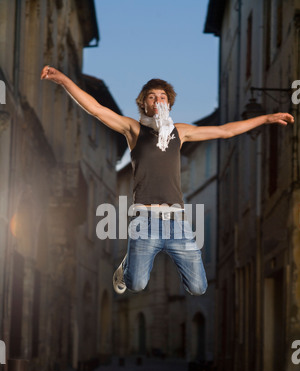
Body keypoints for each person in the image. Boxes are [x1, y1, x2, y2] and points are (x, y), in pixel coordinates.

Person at [40, 65, 294, 296]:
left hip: (177, 223)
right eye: (152, 96)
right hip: (144, 222)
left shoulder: (179, 132)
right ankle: (125, 267)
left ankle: (132, 263)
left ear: (169, 104)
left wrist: (266, 118)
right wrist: (63, 79)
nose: (157, 99)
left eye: (162, 96)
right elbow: (96, 109)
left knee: (199, 288)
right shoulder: (134, 130)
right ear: (144, 104)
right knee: (136, 284)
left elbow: (225, 130)